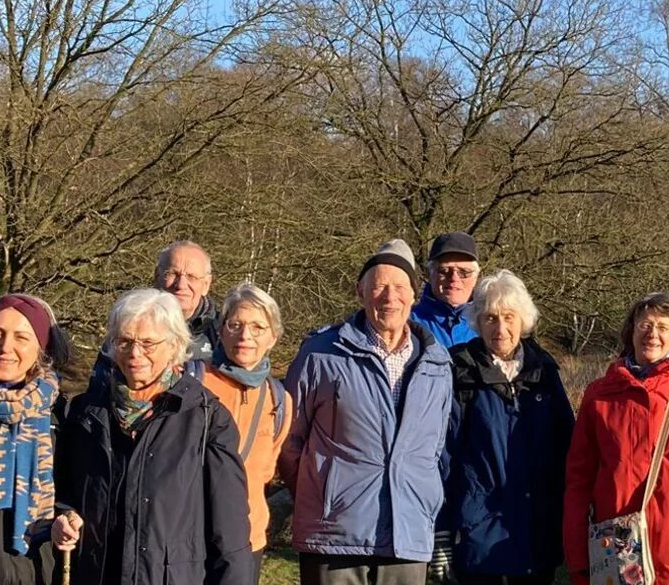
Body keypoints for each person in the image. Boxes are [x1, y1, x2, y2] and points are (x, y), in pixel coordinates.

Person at [282, 239, 457, 585]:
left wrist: (426, 503)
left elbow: (435, 450)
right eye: (378, 286)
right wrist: (322, 499)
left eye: (399, 287)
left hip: (408, 534)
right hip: (335, 535)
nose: (389, 297)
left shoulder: (437, 364)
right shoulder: (320, 354)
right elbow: (289, 442)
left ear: (413, 295)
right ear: (360, 292)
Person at [54, 288, 257, 585]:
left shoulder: (206, 418)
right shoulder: (86, 413)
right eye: (124, 341)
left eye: (148, 343)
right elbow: (66, 491)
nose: (135, 354)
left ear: (174, 344)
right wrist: (65, 514)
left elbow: (230, 531)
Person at [563, 292, 669, 585]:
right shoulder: (600, 394)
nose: (652, 334)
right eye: (644, 325)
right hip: (615, 552)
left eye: (663, 327)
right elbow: (579, 481)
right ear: (631, 331)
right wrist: (579, 557)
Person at [442, 270, 575, 585]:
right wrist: (442, 531)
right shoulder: (458, 372)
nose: (500, 329)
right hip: (478, 537)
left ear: (523, 320)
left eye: (508, 317)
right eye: (490, 318)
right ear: (477, 321)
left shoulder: (544, 371)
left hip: (536, 532)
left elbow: (568, 448)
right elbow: (442, 457)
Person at [0, 293, 82, 584]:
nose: (6, 347)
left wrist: (67, 516)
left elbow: (72, 491)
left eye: (22, 337)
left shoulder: (63, 415)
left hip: (37, 572)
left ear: (41, 349)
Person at [200, 281, 294, 557]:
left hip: (246, 537)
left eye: (258, 328)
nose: (245, 336)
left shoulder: (278, 400)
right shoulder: (192, 383)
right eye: (235, 325)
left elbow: (267, 470)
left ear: (273, 338)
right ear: (221, 331)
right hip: (191, 534)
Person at [157, 240, 226, 363]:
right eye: (173, 274)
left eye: (191, 277)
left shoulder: (223, 333)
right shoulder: (133, 324)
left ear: (206, 285)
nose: (181, 285)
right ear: (157, 276)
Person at [415, 232, 482, 347]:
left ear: (476, 277)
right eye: (444, 270)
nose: (454, 278)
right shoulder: (408, 323)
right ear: (429, 274)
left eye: (464, 272)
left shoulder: (488, 324)